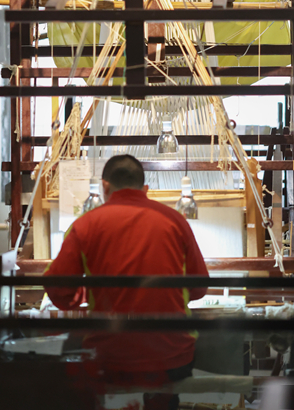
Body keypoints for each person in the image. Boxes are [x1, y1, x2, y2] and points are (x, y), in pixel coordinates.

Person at [43, 154, 209, 407]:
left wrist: (91, 296)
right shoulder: (176, 221)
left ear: (104, 187)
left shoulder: (85, 225)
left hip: (109, 360)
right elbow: (199, 289)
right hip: (172, 359)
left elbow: (59, 292)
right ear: (145, 189)